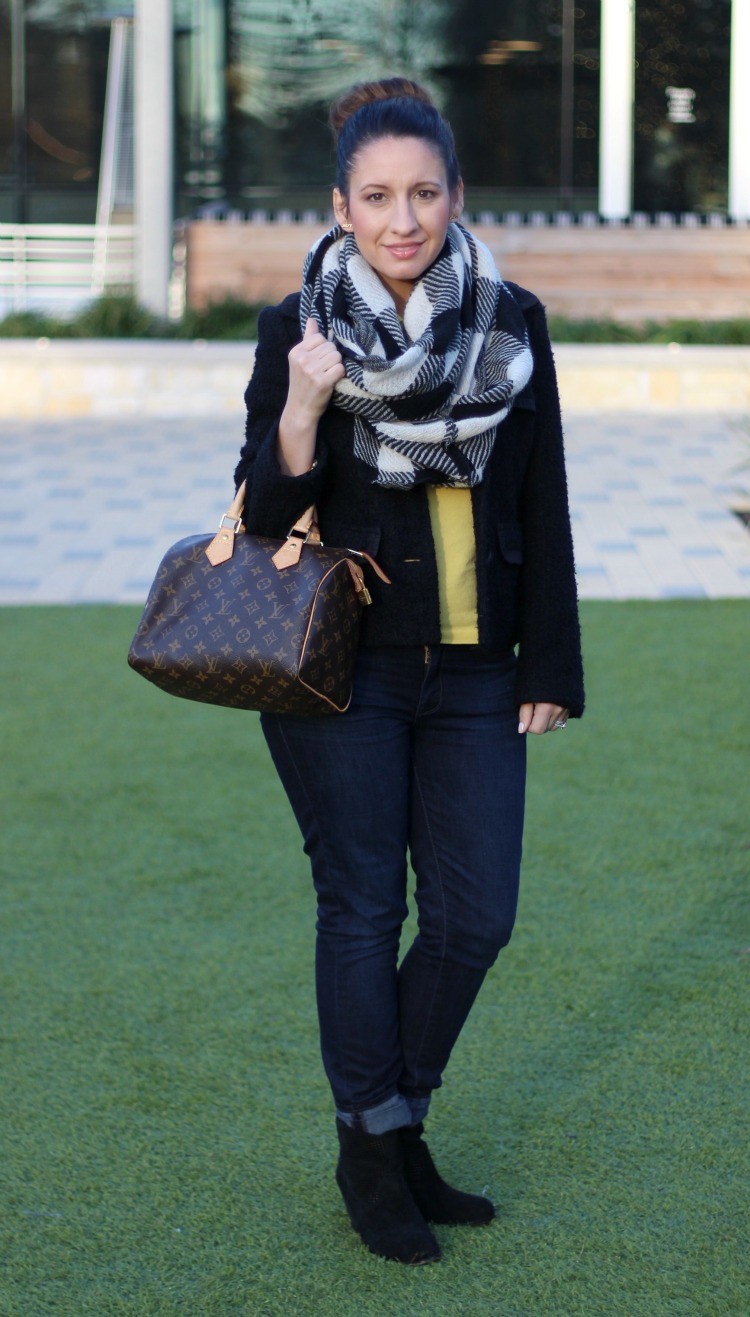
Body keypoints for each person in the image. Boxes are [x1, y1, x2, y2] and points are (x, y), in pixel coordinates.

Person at [234, 77, 584, 1265]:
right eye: (376, 196)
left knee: (477, 917)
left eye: (423, 193)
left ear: (455, 196)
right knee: (364, 906)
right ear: (340, 204)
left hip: (481, 666)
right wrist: (303, 406)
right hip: (342, 669)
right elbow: (268, 497)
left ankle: (394, 1117)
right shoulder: (304, 327)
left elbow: (543, 491)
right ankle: (372, 1143)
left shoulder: (513, 319)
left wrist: (554, 660)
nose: (402, 218)